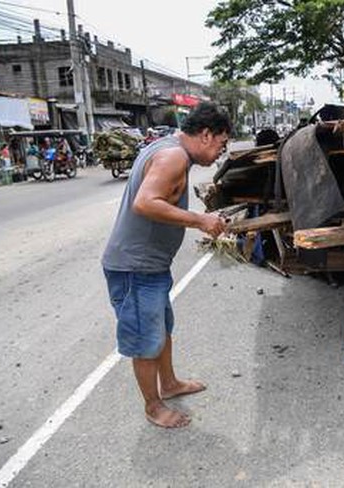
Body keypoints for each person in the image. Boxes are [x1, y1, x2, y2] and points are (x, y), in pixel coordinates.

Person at [101, 102, 230, 428]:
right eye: (220, 144)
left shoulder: (168, 148)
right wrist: (200, 220)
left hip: (151, 266)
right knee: (146, 341)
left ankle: (169, 384)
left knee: (161, 330)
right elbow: (145, 202)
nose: (219, 153)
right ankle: (153, 406)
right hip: (135, 267)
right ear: (205, 135)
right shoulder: (174, 156)